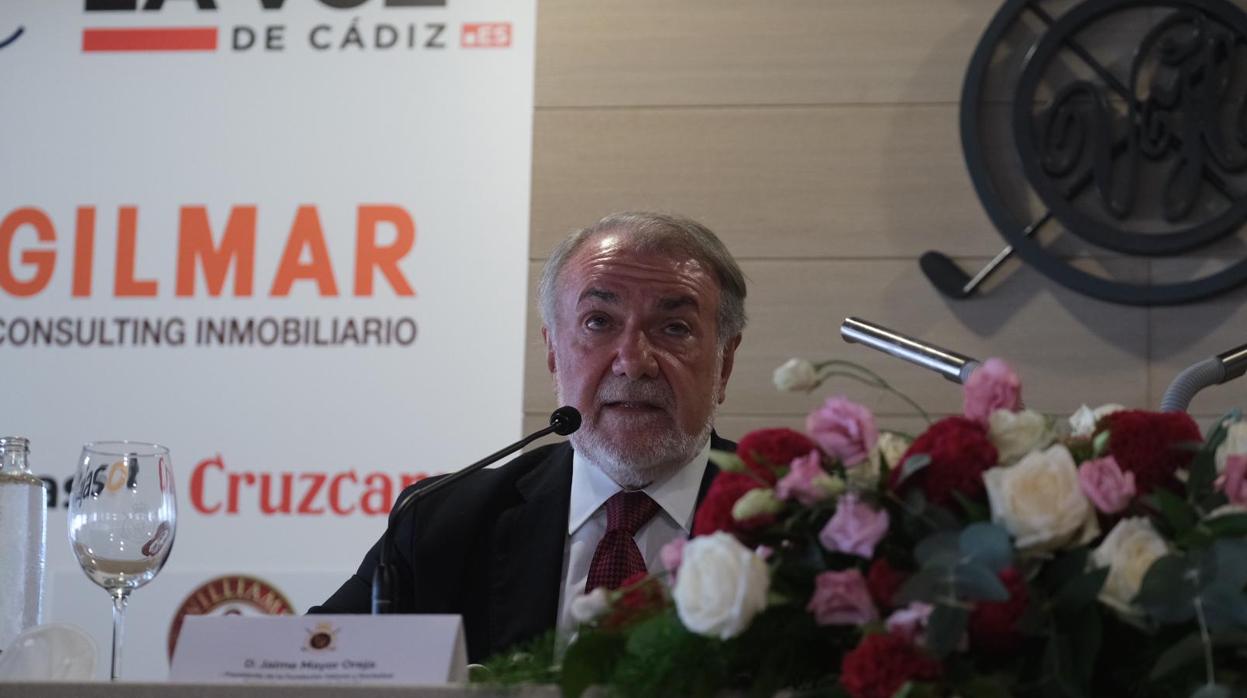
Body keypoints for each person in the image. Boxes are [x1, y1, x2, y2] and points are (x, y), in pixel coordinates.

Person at [310, 212, 747, 662]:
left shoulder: (806, 523)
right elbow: (307, 668)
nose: (633, 362)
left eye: (674, 328)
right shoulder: (441, 522)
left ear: (724, 364)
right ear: (554, 352)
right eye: (599, 322)